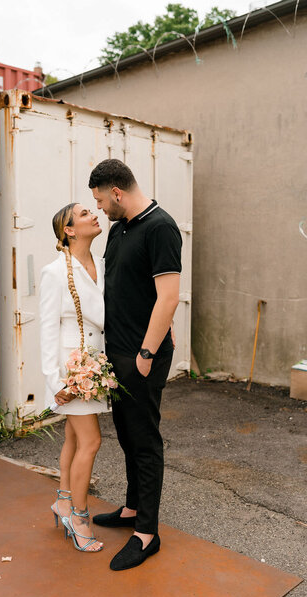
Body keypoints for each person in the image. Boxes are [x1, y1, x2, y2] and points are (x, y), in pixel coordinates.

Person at [88, 159, 182, 571]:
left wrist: (146, 354)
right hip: (118, 351)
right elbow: (134, 288)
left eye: (100, 199)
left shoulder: (160, 227)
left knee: (145, 442)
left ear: (118, 192)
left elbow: (168, 295)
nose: (99, 207)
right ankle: (130, 508)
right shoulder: (119, 228)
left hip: (140, 356)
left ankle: (147, 533)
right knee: (126, 434)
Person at [39, 202, 110, 552]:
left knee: (73, 437)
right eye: (84, 214)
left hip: (97, 363)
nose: (94, 215)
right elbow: (47, 329)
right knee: (91, 442)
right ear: (69, 230)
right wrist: (57, 383)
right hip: (73, 370)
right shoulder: (54, 272)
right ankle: (79, 519)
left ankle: (63, 501)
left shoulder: (103, 264)